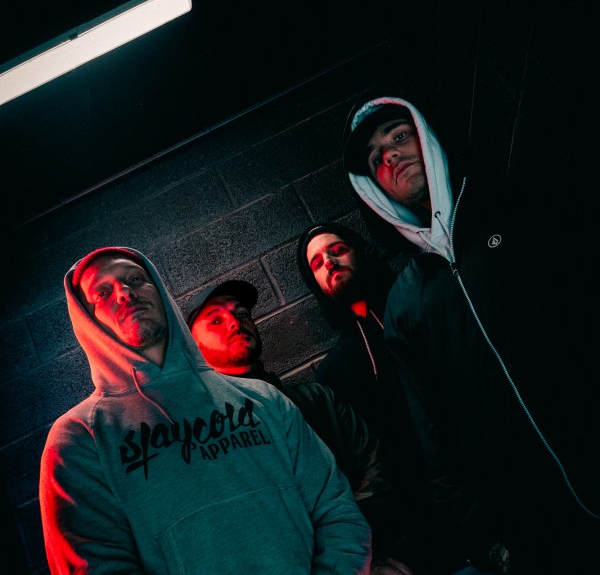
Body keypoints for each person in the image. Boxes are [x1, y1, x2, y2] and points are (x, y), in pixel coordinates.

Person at [342, 94, 600, 573]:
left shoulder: (515, 207)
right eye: (377, 159)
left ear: (428, 138)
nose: (390, 155)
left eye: (399, 136)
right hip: (532, 519)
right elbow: (432, 435)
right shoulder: (405, 303)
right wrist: (482, 538)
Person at [39, 246, 372, 574]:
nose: (125, 292)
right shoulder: (78, 438)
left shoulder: (264, 400)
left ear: (160, 290)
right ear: (87, 319)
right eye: (102, 293)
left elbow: (336, 509)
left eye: (135, 279)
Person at [297, 222, 507, 575]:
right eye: (317, 263)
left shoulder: (417, 307)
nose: (329, 262)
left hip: (489, 486)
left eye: (337, 250)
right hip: (422, 535)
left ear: (360, 253)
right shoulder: (334, 372)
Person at [185, 278, 414, 575]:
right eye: (215, 320)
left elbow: (375, 471)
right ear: (192, 347)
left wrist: (364, 554)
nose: (234, 322)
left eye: (242, 313)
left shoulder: (318, 400)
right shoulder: (207, 439)